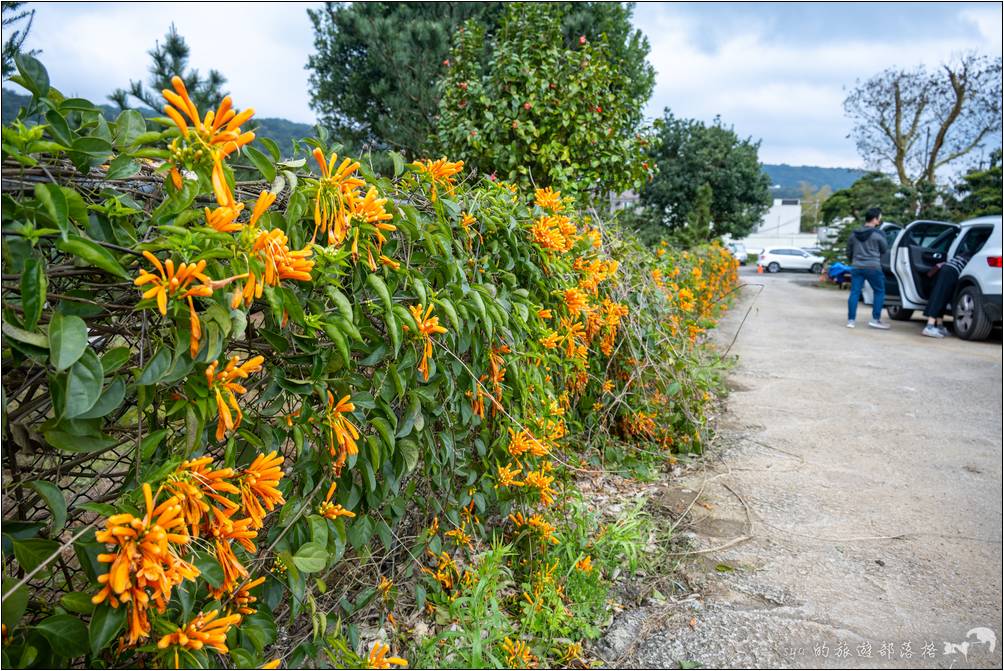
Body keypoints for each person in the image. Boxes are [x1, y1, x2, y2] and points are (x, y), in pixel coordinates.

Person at [845, 207, 890, 329]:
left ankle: (851, 321)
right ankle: (875, 319)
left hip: (857, 266)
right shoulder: (878, 235)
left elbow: (848, 251)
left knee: (854, 292)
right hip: (873, 267)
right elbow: (884, 250)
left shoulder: (854, 234)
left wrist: (853, 261)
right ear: (875, 219)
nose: (880, 220)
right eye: (879, 218)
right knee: (879, 291)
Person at [919, 251, 972, 338]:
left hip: (945, 269)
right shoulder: (974, 257)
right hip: (951, 272)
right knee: (939, 297)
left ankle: (939, 326)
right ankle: (929, 327)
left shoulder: (962, 253)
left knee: (942, 298)